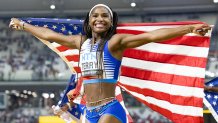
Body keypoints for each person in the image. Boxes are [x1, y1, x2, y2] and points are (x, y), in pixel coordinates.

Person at [9, 4, 211, 123]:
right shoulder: (81, 43)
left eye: (104, 15)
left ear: (112, 21)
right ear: (88, 22)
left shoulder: (116, 42)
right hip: (89, 111)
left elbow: (152, 36)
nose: (99, 19)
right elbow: (50, 35)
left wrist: (189, 28)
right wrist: (24, 25)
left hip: (110, 109)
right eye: (94, 16)